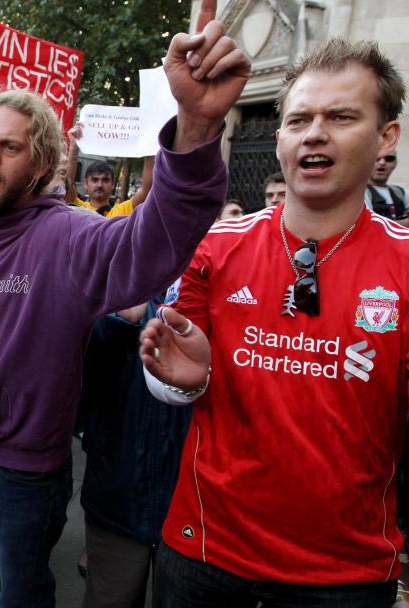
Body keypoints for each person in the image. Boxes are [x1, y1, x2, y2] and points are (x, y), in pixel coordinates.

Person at [0, 0, 249, 604]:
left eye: (9, 148)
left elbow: (155, 244)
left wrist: (197, 130)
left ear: (42, 164)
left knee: (23, 596)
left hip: (27, 473)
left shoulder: (72, 237)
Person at [140, 38, 406, 606]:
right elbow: (171, 381)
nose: (314, 133)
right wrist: (178, 382)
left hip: (344, 575)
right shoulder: (216, 245)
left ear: (386, 138)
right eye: (298, 119)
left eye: (341, 117)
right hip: (205, 552)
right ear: (281, 139)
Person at [79, 297, 190, 608]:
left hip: (195, 510)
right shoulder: (120, 265)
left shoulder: (225, 271)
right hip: (117, 497)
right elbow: (68, 376)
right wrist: (116, 322)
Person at [365, 152, 408, 224]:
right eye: (376, 158)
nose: (382, 162)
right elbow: (367, 226)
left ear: (395, 163)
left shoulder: (401, 192)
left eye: (389, 159)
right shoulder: (359, 194)